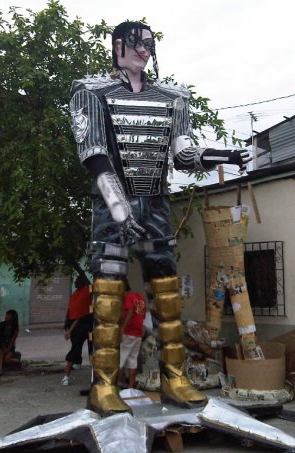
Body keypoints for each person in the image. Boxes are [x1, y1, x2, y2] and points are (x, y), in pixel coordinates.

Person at [69, 21, 251, 416]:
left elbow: (183, 155)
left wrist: (224, 156)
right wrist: (119, 208)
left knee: (166, 293)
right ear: (118, 46)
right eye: (136, 43)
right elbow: (94, 154)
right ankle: (104, 386)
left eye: (149, 45)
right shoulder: (91, 92)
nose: (144, 51)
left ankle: (175, 379)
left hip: (155, 203)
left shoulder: (173, 97)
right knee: (108, 297)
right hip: (111, 203)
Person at [62, 275, 94, 386]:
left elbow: (75, 315)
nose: (75, 282)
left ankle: (66, 376)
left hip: (79, 328)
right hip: (88, 327)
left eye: (76, 281)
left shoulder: (77, 295)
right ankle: (93, 374)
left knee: (76, 348)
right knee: (91, 348)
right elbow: (78, 314)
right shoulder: (85, 292)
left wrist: (69, 330)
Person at [119, 281, 147, 389]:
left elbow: (130, 312)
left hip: (128, 332)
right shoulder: (141, 298)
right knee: (132, 361)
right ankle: (130, 387)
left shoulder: (128, 297)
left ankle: (114, 385)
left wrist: (122, 328)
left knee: (119, 360)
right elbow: (143, 315)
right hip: (137, 334)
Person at [0, 309, 20, 375]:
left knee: (7, 360)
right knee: (0, 354)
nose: (6, 316)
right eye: (6, 315)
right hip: (2, 345)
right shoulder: (1, 325)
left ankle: (17, 362)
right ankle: (0, 370)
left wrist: (8, 349)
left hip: (10, 347)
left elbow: (13, 340)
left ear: (13, 317)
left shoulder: (15, 328)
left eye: (8, 315)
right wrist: (4, 348)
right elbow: (0, 338)